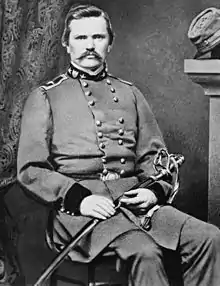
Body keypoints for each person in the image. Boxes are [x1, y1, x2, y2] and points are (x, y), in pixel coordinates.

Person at [17, 4, 220, 286]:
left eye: (98, 38)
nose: (90, 46)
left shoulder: (130, 93)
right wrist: (80, 199)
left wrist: (153, 193)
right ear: (66, 43)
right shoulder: (44, 97)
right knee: (145, 253)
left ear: (110, 43)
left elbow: (154, 158)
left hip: (138, 206)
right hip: (80, 214)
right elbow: (32, 170)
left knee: (210, 238)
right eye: (81, 38)